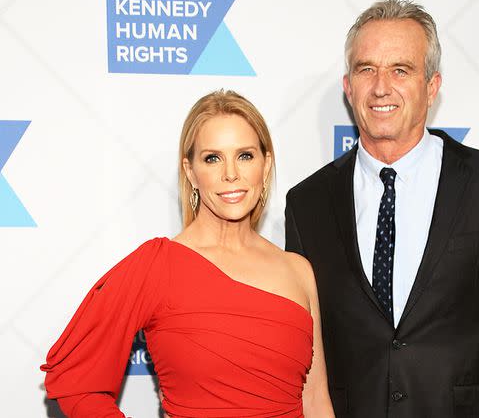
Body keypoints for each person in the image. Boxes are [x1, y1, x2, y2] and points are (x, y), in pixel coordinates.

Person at [285, 0, 479, 418]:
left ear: (431, 86)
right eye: (366, 69)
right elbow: (302, 349)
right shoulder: (307, 204)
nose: (380, 87)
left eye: (401, 69)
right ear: (348, 86)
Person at [41, 90, 335, 418]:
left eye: (245, 156)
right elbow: (75, 379)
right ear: (191, 171)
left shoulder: (298, 271)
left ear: (266, 166)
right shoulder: (158, 266)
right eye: (212, 158)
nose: (230, 174)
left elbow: (315, 401)